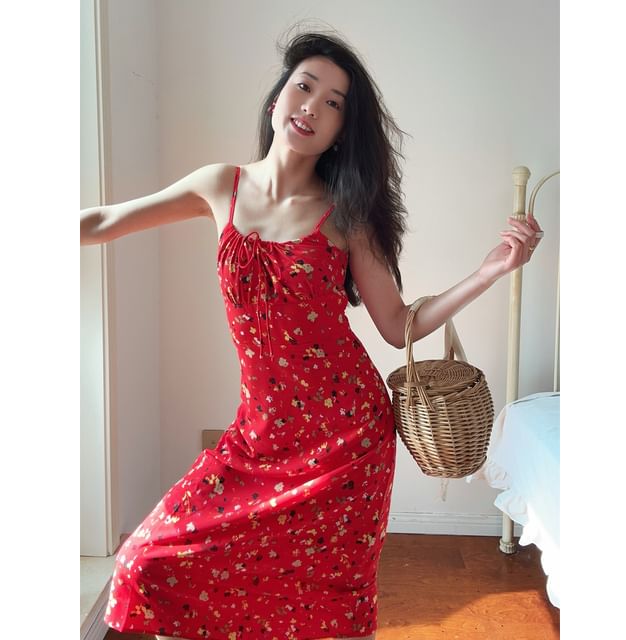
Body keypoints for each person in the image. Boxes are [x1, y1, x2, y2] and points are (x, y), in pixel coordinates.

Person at [81, 27, 543, 640]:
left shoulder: (346, 214)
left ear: (340, 132)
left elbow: (398, 325)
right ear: (277, 98)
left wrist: (488, 272)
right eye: (304, 87)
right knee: (146, 563)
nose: (312, 107)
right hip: (259, 435)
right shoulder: (220, 185)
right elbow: (104, 220)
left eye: (333, 103)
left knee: (329, 606)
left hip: (348, 438)